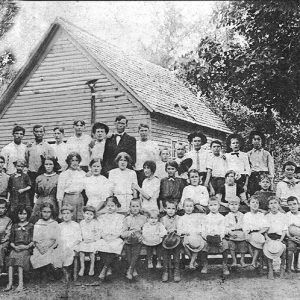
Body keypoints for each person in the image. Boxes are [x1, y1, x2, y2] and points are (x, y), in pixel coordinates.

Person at [5, 205, 34, 292]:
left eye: (24, 214)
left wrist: (27, 246)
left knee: (20, 261)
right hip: (15, 248)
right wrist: (14, 247)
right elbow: (11, 241)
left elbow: (33, 240)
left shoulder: (31, 226)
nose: (22, 216)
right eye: (20, 214)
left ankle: (20, 284)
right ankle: (10, 283)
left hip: (26, 249)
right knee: (11, 261)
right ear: (17, 215)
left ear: (28, 214)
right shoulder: (14, 226)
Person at [25, 125, 54, 205]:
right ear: (33, 132)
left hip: (42, 174)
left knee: (42, 195)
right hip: (31, 174)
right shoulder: (29, 146)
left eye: (41, 131)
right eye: (37, 131)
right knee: (30, 196)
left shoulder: (48, 147)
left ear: (44, 133)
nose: (39, 133)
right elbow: (27, 159)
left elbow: (52, 161)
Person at [30, 203, 61, 280]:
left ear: (51, 212)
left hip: (50, 245)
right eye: (44, 211)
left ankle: (50, 273)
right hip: (39, 246)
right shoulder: (38, 223)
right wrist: (39, 247)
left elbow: (55, 239)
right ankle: (42, 273)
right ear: (41, 212)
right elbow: (35, 239)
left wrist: (47, 247)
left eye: (48, 212)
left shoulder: (54, 223)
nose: (46, 214)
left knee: (50, 255)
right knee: (37, 256)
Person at [97, 196, 125, 281]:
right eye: (108, 205)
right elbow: (100, 229)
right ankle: (108, 268)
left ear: (116, 206)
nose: (110, 207)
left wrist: (113, 237)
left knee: (115, 244)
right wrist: (105, 237)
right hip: (105, 237)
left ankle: (105, 268)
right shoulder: (101, 217)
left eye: (112, 205)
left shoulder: (120, 217)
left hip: (115, 238)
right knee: (101, 244)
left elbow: (120, 229)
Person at [201, 197, 230, 276]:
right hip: (208, 238)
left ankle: (224, 265)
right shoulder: (205, 218)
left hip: (219, 238)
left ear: (219, 206)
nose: (213, 207)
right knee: (203, 245)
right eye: (211, 205)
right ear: (208, 206)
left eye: (215, 205)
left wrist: (219, 238)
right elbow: (203, 230)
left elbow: (223, 230)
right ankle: (205, 264)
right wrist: (207, 237)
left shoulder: (222, 218)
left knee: (225, 244)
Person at [121, 199, 147, 280]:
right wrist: (130, 232)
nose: (135, 208)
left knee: (136, 246)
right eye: (133, 206)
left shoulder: (144, 218)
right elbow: (123, 233)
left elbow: (147, 230)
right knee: (127, 247)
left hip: (139, 240)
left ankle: (130, 269)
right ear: (129, 207)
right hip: (129, 239)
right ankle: (133, 269)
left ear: (140, 207)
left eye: (137, 206)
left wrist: (140, 233)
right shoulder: (127, 219)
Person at [57, 152, 86, 222]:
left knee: (80, 220)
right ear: (69, 162)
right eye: (72, 160)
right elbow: (59, 194)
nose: (75, 163)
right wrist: (60, 211)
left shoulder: (82, 173)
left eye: (76, 160)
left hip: (79, 199)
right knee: (69, 220)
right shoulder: (64, 174)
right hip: (68, 199)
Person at [177, 198, 205, 270]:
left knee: (198, 244)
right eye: (187, 206)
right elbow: (179, 230)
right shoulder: (181, 218)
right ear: (183, 207)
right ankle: (193, 261)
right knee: (185, 244)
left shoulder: (196, 217)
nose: (188, 208)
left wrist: (199, 231)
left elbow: (200, 226)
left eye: (190, 206)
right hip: (187, 235)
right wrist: (184, 232)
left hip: (195, 235)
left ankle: (191, 263)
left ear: (193, 208)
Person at [30, 156, 60, 223]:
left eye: (50, 164)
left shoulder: (58, 177)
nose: (48, 166)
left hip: (53, 202)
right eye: (46, 164)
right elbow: (36, 192)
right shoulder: (39, 178)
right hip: (40, 202)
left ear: (54, 165)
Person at [264, 196, 287, 278]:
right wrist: (268, 239)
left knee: (283, 248)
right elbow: (265, 231)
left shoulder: (283, 216)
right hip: (269, 237)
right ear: (268, 206)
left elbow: (284, 230)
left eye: (275, 203)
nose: (273, 205)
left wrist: (280, 240)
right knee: (267, 247)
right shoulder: (266, 216)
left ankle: (282, 268)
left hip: (280, 237)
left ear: (279, 205)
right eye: (271, 203)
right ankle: (270, 269)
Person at [243, 196, 269, 269]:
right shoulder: (246, 215)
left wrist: (259, 232)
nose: (255, 204)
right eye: (253, 202)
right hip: (250, 233)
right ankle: (255, 261)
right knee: (249, 242)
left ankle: (253, 262)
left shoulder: (261, 215)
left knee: (258, 241)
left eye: (257, 203)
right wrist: (246, 234)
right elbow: (245, 227)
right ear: (249, 204)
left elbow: (266, 226)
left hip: (259, 233)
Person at [59, 205, 81, 282]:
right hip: (62, 245)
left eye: (68, 213)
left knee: (69, 251)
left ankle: (68, 271)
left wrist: (71, 245)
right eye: (64, 213)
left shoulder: (76, 225)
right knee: (60, 251)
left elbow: (78, 239)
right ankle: (65, 272)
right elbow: (58, 238)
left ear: (72, 214)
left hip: (74, 245)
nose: (66, 215)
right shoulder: (60, 226)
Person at [247, 131, 275, 195]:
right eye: (255, 139)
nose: (256, 141)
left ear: (262, 141)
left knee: (265, 194)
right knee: (254, 194)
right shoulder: (248, 154)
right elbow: (247, 167)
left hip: (264, 175)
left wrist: (271, 181)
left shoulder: (266, 153)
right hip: (253, 177)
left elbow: (271, 167)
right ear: (252, 141)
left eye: (259, 139)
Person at [161, 201, 181, 282]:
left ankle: (176, 271)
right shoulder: (163, 219)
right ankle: (165, 271)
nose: (171, 210)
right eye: (169, 208)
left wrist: (175, 231)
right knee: (165, 252)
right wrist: (166, 232)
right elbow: (161, 230)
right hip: (166, 240)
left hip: (176, 240)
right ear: (165, 209)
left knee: (177, 252)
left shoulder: (178, 218)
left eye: (173, 208)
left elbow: (180, 228)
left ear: (176, 210)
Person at [224, 197, 247, 267]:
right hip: (232, 234)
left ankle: (242, 260)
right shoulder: (227, 216)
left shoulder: (242, 215)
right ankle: (234, 261)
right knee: (231, 244)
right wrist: (230, 233)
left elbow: (245, 225)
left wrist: (244, 233)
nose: (234, 206)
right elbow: (225, 227)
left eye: (236, 204)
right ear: (228, 206)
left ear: (239, 206)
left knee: (243, 243)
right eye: (231, 204)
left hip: (241, 233)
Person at [78, 206, 99, 277]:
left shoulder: (95, 223)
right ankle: (82, 267)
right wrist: (83, 239)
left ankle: (92, 267)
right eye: (87, 213)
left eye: (91, 214)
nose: (88, 216)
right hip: (84, 241)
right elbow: (79, 233)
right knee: (81, 251)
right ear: (83, 214)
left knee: (92, 251)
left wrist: (93, 239)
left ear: (93, 216)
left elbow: (98, 233)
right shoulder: (81, 223)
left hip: (92, 241)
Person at [286, 196, 300, 273]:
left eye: (294, 204)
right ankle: (289, 268)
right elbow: (285, 229)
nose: (292, 206)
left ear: (298, 204)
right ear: (288, 206)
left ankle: (296, 265)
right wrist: (291, 238)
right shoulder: (287, 215)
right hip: (291, 238)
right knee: (291, 249)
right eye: (290, 205)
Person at [0, 198, 12, 275]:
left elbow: (8, 233)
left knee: (1, 248)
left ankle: (0, 269)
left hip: (3, 241)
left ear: (6, 209)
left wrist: (4, 239)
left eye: (2, 208)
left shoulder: (8, 220)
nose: (0, 210)